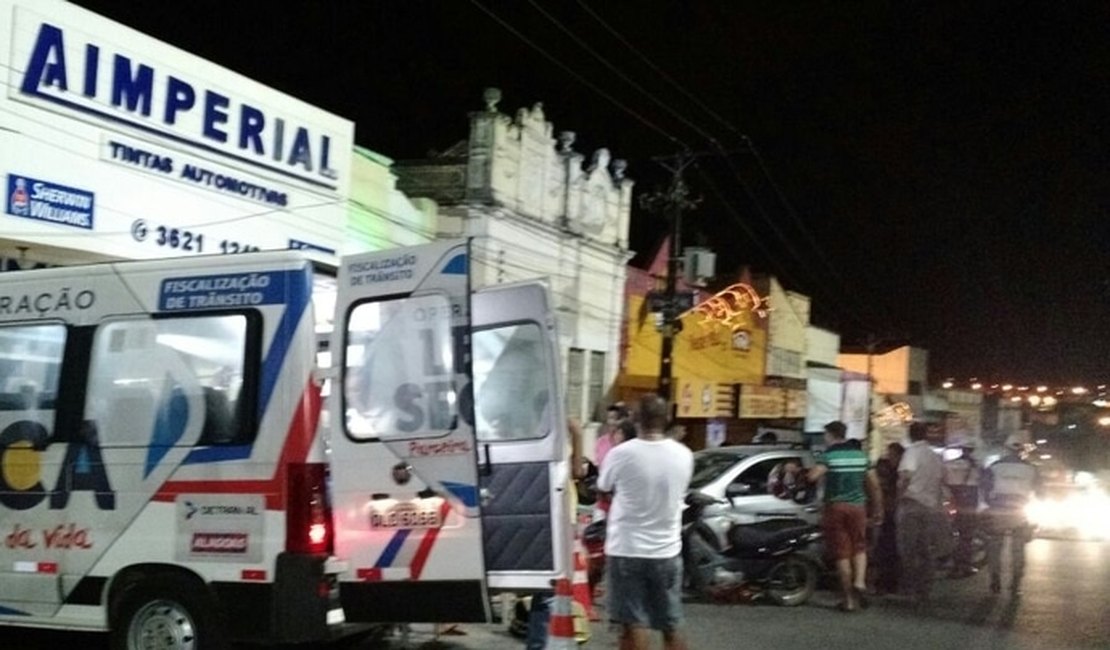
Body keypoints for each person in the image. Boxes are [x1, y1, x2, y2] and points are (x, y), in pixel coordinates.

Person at [597, 393, 693, 650]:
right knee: (671, 623)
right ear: (667, 419)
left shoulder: (621, 454)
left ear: (636, 419)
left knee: (633, 622)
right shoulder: (684, 455)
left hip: (627, 549)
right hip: (667, 551)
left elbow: (603, 485)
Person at [525, 419, 589, 649]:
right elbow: (578, 472)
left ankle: (540, 641)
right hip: (560, 513)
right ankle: (542, 642)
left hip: (548, 511)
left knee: (547, 586)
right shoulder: (557, 434)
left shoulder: (533, 433)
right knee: (553, 587)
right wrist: (577, 434)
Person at [807, 421, 881, 612]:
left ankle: (848, 601)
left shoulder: (829, 455)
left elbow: (812, 477)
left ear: (830, 435)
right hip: (858, 507)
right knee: (860, 546)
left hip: (835, 507)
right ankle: (860, 581)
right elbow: (874, 485)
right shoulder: (861, 456)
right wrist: (878, 508)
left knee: (842, 553)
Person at [981, 433, 1042, 596]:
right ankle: (1015, 585)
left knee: (995, 547)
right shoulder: (1032, 469)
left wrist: (990, 505)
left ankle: (995, 583)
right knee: (1018, 549)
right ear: (1023, 450)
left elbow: (985, 490)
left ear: (1006, 448)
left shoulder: (994, 467)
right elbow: (1040, 493)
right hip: (1020, 511)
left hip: (998, 509)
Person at [897, 421, 947, 606]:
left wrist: (898, 498)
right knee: (925, 550)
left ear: (910, 435)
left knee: (908, 550)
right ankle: (925, 589)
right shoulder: (934, 456)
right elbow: (943, 479)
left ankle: (910, 589)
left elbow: (905, 478)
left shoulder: (912, 452)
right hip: (930, 507)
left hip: (911, 505)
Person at [943, 438, 981, 577]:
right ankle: (964, 565)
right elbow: (980, 487)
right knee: (966, 537)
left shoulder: (949, 464)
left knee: (951, 534)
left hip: (951, 502)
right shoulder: (976, 467)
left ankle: (951, 563)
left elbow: (943, 483)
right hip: (968, 505)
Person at [873, 442, 905, 594]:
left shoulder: (900, 472)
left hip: (895, 513)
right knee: (885, 548)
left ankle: (889, 583)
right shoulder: (889, 470)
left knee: (890, 549)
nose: (890, 457)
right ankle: (886, 583)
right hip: (888, 513)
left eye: (892, 455)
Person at [595, 402, 630, 469]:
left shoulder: (631, 442)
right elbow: (601, 465)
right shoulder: (601, 442)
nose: (611, 422)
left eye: (616, 418)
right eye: (610, 418)